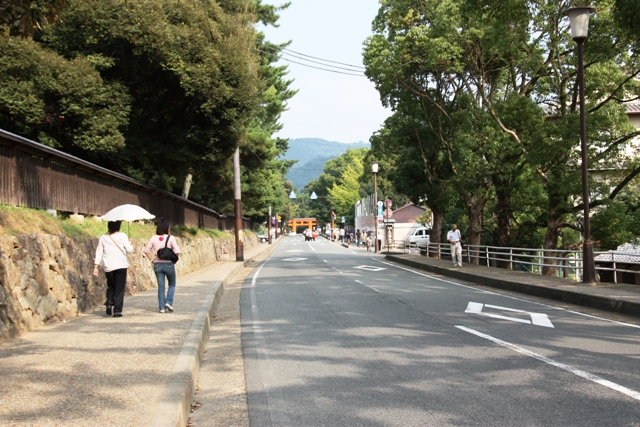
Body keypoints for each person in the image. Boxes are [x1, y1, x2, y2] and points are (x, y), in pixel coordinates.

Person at [93, 221, 134, 318]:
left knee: (110, 286)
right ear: (118, 226)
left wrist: (96, 266)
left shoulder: (103, 237)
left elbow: (99, 252)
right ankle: (117, 311)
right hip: (121, 265)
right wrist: (130, 243)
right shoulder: (122, 235)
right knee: (119, 288)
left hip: (109, 266)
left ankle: (109, 302)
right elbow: (129, 250)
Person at [144, 220, 181, 313]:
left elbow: (146, 250)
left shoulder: (153, 238)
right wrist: (174, 260)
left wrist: (152, 260)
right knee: (172, 284)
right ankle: (168, 302)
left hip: (157, 265)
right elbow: (177, 251)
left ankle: (162, 308)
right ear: (167, 229)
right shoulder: (171, 238)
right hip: (169, 264)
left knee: (161, 286)